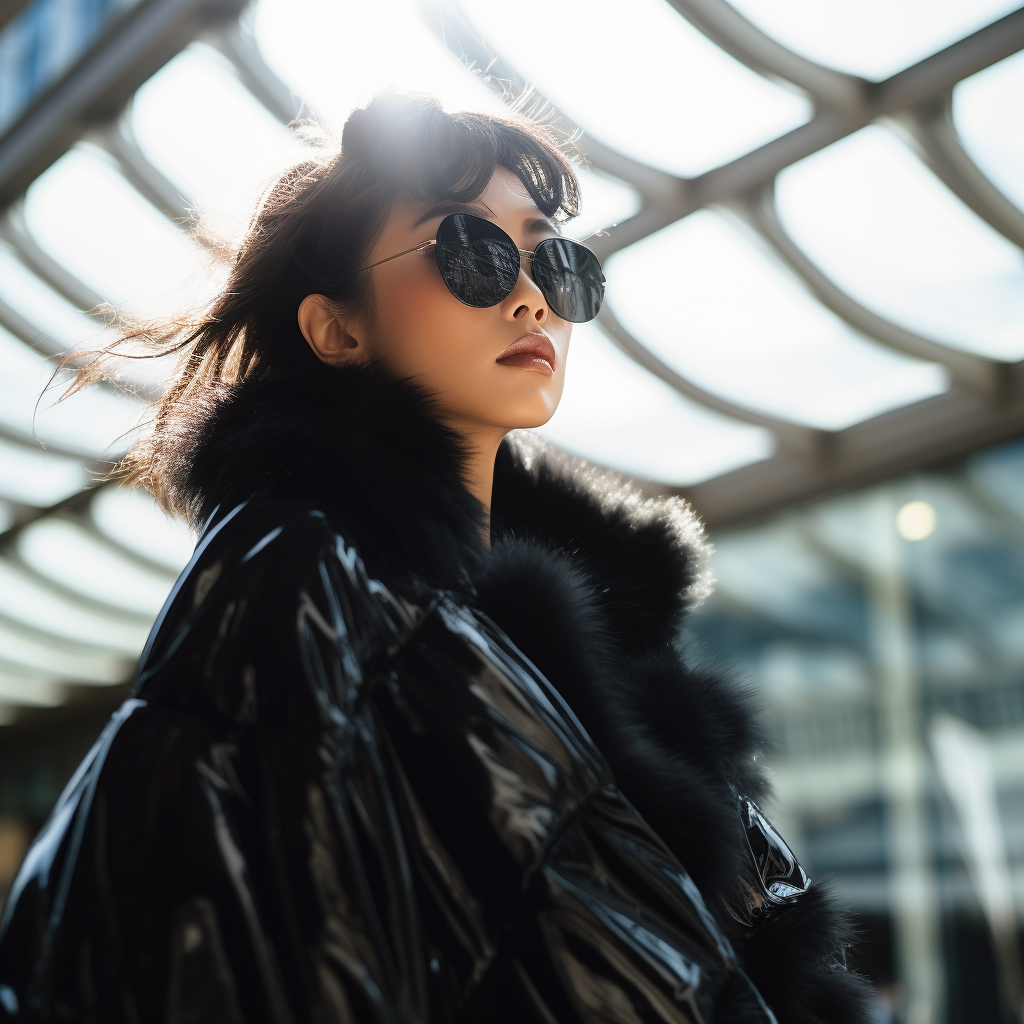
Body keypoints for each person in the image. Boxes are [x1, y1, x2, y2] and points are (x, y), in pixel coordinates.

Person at [0, 93, 872, 1023]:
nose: (532, 294)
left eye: (554, 259)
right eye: (469, 250)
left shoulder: (616, 645)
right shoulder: (298, 577)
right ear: (338, 329)